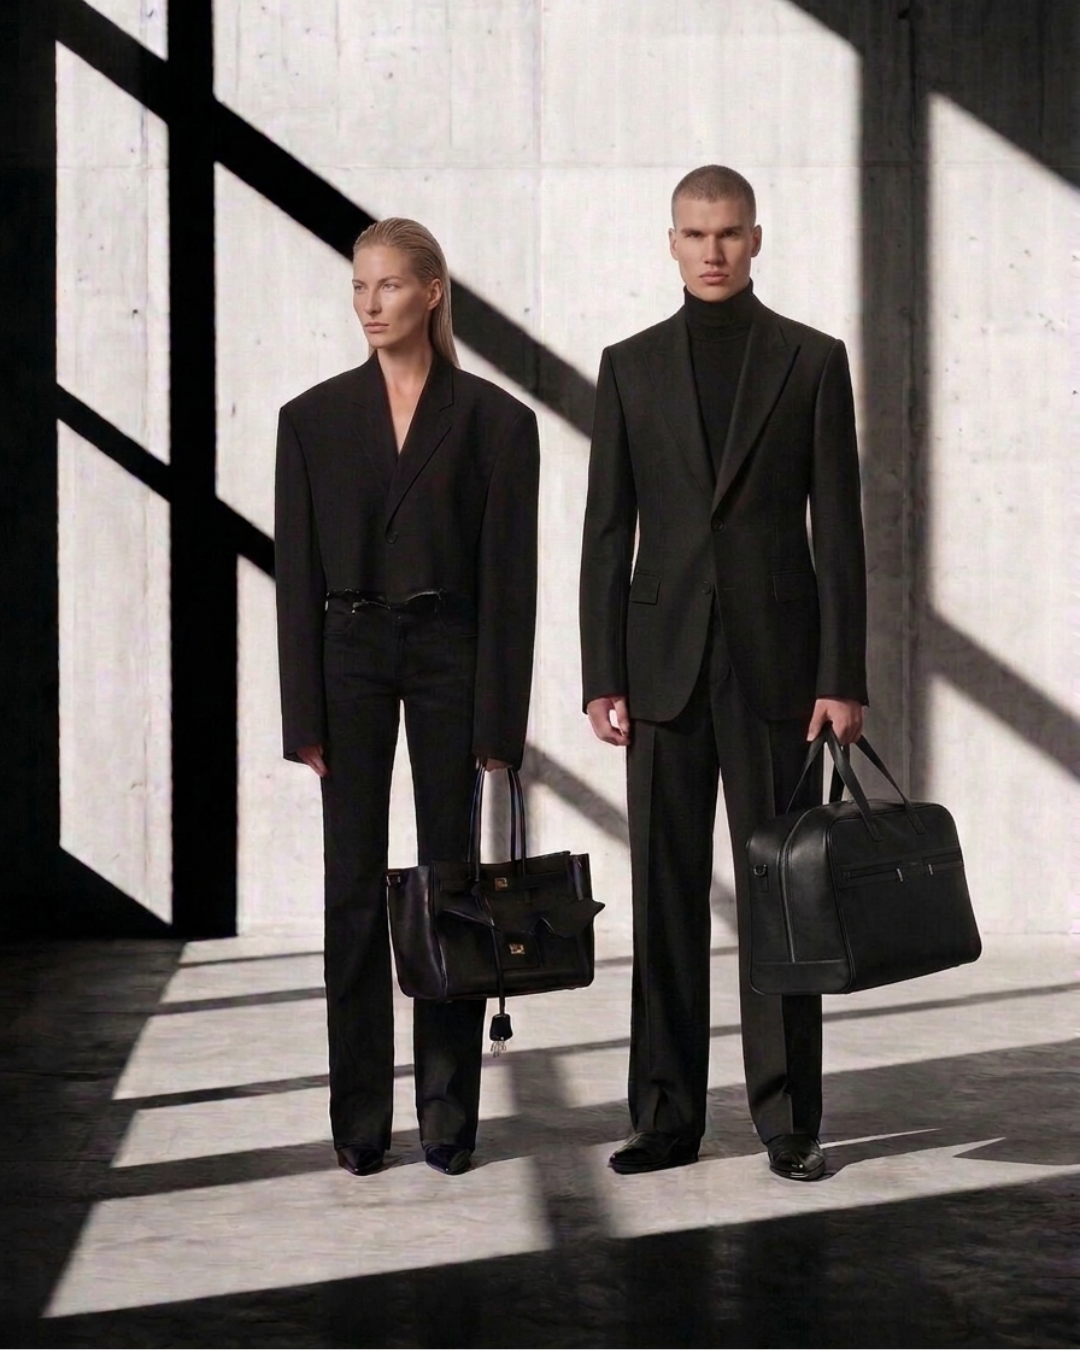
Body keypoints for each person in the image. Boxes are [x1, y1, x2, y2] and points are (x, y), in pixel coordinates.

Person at [579, 166, 867, 1181]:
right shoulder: (629, 366)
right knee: (661, 896)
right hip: (660, 669)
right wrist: (598, 670)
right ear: (671, 241)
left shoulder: (811, 361)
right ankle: (665, 1116)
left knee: (783, 894)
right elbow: (607, 527)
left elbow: (841, 530)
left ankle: (789, 1124)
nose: (713, 250)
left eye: (730, 233)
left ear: (757, 239)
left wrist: (843, 673)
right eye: (696, 233)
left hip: (780, 672)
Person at [275, 218, 539, 1177]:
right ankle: (357, 1119)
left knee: (448, 889)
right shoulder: (310, 419)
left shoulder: (496, 423)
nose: (369, 305)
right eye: (358, 288)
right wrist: (301, 713)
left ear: (432, 292)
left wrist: (497, 723)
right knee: (351, 890)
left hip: (448, 654)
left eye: (388, 287)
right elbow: (297, 576)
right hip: (346, 654)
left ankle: (446, 1114)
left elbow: (512, 585)